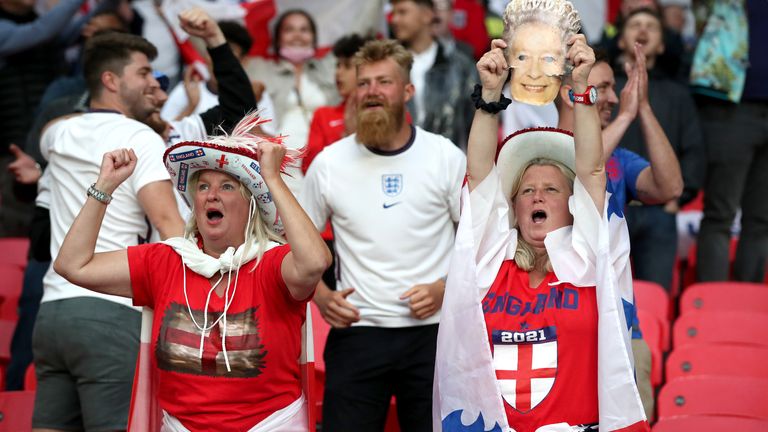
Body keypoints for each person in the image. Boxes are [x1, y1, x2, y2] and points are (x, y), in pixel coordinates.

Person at [432, 6, 648, 432]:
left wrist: (583, 88)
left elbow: (590, 171)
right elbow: (478, 174)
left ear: (574, 205)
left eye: (551, 189)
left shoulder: (589, 260)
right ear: (511, 207)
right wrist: (490, 95)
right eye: (526, 190)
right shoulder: (490, 262)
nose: (536, 195)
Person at [52, 112, 331, 430]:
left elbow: (314, 261)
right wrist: (104, 187)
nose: (211, 195)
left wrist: (273, 180)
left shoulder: (272, 263)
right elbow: (72, 265)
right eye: (203, 187)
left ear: (250, 204)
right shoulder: (165, 261)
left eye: (227, 186)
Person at [300, 39, 466, 431]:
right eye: (364, 83)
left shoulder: (444, 156)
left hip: (435, 333)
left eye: (384, 82)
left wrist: (446, 287)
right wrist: (320, 296)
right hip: (358, 331)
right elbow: (294, 242)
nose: (372, 91)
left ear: (407, 91)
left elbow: (480, 242)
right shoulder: (328, 164)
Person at [31, 32, 185, 431]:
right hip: (111, 310)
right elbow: (169, 224)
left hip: (53, 313)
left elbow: (52, 127)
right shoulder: (139, 137)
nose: (153, 81)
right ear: (111, 81)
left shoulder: (56, 135)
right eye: (144, 72)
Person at [556, 46, 682, 420]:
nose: (614, 97)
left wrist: (641, 109)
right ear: (570, 93)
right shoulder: (534, 149)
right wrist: (625, 115)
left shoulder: (619, 160)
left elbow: (670, 187)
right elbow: (574, 177)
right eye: (606, 87)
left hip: (623, 329)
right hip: (558, 330)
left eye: (617, 89)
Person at [613, 8, 703, 291]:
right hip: (613, 210)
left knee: (657, 295)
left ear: (663, 44)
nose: (642, 31)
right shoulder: (605, 89)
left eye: (651, 26)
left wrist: (679, 196)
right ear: (620, 41)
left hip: (660, 211)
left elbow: (694, 149)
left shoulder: (678, 94)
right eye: (635, 25)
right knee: (609, 297)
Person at [694, 0, 768, 283]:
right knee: (720, 215)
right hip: (731, 110)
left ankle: (747, 303)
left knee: (761, 220)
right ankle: (711, 304)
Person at [246, 9, 338, 195]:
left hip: (326, 163)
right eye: (289, 29)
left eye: (304, 30)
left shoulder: (330, 67)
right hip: (278, 165)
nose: (297, 35)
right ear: (277, 38)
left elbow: (363, 29)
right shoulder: (257, 68)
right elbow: (223, 62)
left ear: (314, 37)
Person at [390, 0, 477, 150]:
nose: (394, 19)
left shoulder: (461, 67)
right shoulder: (389, 66)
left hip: (448, 165)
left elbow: (475, 124)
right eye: (393, 13)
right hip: (398, 164)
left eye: (402, 12)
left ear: (427, 15)